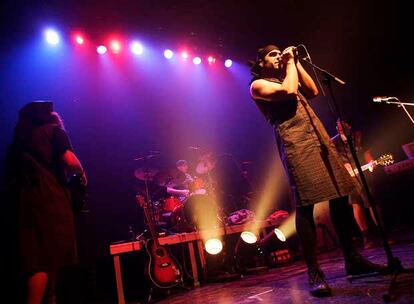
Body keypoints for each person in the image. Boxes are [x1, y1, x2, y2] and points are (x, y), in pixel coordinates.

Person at [249, 44, 386, 296]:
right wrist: (289, 63)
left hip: (319, 139)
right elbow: (289, 91)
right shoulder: (258, 85)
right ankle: (314, 271)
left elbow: (311, 90)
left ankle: (352, 260)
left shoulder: (288, 72)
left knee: (341, 195)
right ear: (260, 64)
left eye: (280, 52)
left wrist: (297, 61)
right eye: (273, 54)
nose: (279, 55)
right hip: (296, 145)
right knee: (306, 205)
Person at [5, 101, 87, 304]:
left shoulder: (19, 142)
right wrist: (82, 172)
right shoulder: (54, 131)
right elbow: (69, 160)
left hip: (25, 204)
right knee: (47, 260)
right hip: (51, 200)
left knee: (39, 258)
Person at [332, 119, 391, 249]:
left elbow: (366, 153)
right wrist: (343, 166)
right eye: (337, 124)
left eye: (342, 123)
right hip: (348, 177)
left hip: (364, 173)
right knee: (356, 204)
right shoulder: (334, 142)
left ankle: (382, 233)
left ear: (349, 125)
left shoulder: (358, 136)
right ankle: (366, 237)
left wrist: (371, 163)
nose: (339, 126)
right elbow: (333, 160)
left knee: (372, 203)